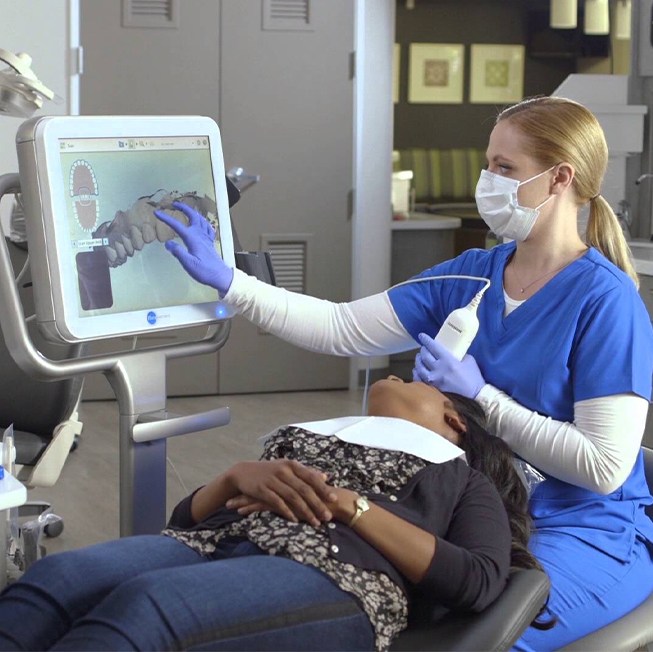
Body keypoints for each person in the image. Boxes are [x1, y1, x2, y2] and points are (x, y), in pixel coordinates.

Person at [154, 94, 653, 651]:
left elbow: (604, 468)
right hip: (482, 514)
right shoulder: (473, 275)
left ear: (559, 179)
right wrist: (228, 280)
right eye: (488, 163)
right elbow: (341, 327)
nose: (488, 180)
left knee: (482, 637)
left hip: (582, 530)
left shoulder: (605, 302)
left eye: (506, 169)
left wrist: (483, 397)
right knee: (368, 606)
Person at [0, 378, 542, 651]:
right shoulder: (316, 434)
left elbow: (478, 580)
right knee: (59, 576)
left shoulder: (458, 475)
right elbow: (187, 522)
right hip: (214, 544)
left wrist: (349, 506)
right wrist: (233, 478)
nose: (401, 377)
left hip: (337, 574)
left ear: (454, 418)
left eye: (416, 381)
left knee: (147, 606)